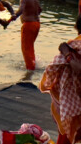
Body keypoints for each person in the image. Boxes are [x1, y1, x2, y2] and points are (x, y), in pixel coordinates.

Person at [40, 16, 81, 144]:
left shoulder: (73, 46)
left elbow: (78, 69)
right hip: (75, 101)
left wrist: (67, 54)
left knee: (67, 137)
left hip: (74, 102)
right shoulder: (75, 45)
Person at [13, 0, 42, 71]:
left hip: (28, 25)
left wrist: (14, 16)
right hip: (37, 24)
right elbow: (40, 10)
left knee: (26, 48)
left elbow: (21, 10)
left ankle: (30, 69)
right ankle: (32, 64)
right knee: (30, 46)